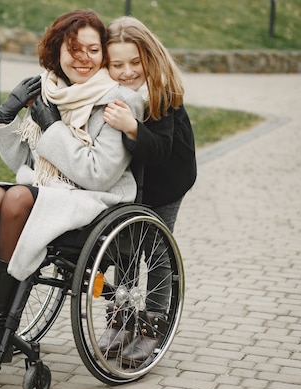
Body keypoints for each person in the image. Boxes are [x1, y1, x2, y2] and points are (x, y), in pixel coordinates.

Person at [0, 9, 144, 367]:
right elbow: (25, 162)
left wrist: (52, 129)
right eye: (73, 48)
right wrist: (6, 114)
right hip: (49, 193)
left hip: (94, 200)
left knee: (17, 196)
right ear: (56, 52)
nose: (82, 58)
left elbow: (98, 174)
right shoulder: (49, 91)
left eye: (93, 50)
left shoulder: (117, 99)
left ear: (104, 55)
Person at [99, 15, 197, 364]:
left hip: (168, 177)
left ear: (149, 58)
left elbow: (158, 150)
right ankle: (121, 318)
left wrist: (132, 128)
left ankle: (152, 326)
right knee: (125, 247)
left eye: (134, 62)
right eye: (117, 64)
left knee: (155, 248)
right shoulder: (107, 90)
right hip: (132, 180)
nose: (127, 71)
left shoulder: (161, 91)